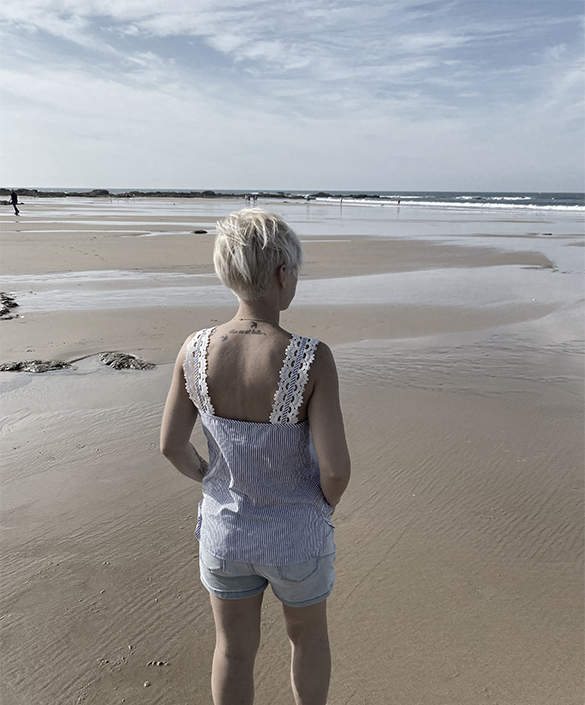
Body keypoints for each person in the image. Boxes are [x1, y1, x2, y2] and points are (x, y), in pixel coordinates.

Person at [161, 208, 351, 705]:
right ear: (283, 276)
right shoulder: (311, 356)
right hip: (296, 536)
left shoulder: (196, 349)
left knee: (234, 650)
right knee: (307, 637)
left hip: (226, 533)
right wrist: (321, 505)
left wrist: (210, 478)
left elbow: (171, 445)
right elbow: (334, 467)